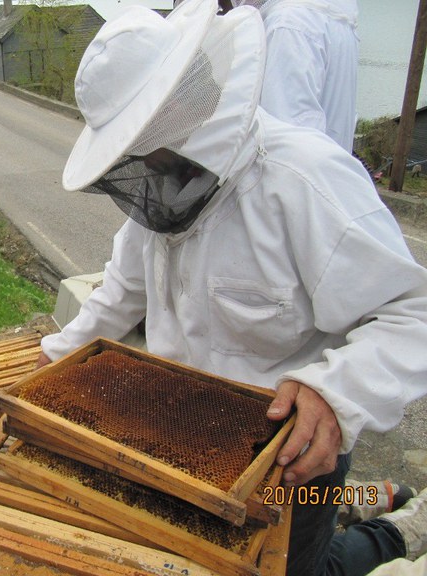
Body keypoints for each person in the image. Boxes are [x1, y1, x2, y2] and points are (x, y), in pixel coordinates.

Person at [37, 2, 427, 575]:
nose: (141, 160)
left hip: (287, 459)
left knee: (299, 570)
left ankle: (396, 529)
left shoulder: (305, 181)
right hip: (182, 441)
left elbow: (414, 314)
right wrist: (50, 360)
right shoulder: (164, 185)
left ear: (180, 106)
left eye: (143, 139)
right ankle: (368, 500)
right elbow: (121, 290)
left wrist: (335, 393)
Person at [226, 0, 360, 153]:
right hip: (328, 164)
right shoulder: (328, 17)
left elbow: (288, 140)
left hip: (302, 164)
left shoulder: (290, 25)